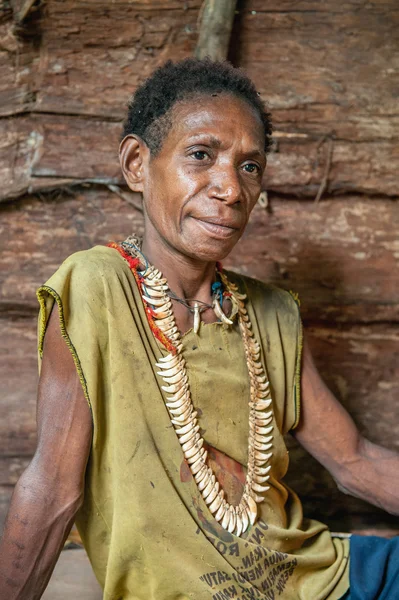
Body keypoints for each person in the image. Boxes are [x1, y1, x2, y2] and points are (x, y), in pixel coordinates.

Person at [0, 58, 397, 600]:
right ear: (138, 164)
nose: (231, 189)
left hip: (335, 578)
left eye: (250, 166)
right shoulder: (97, 287)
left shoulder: (273, 312)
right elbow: (52, 490)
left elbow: (355, 461)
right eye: (201, 155)